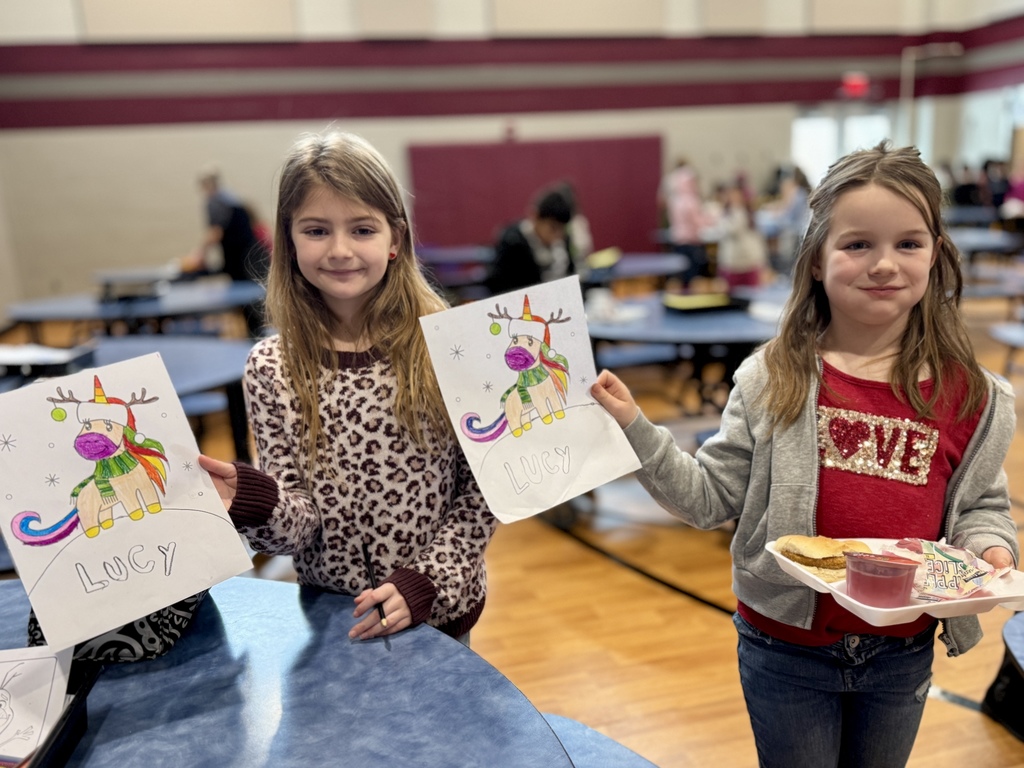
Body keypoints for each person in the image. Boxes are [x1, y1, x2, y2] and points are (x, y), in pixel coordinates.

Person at [590, 140, 1018, 767]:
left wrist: (991, 549)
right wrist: (634, 425)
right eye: (856, 244)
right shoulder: (772, 378)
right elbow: (708, 497)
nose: (883, 264)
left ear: (936, 255)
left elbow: (981, 506)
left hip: (903, 653)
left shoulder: (973, 397)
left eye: (908, 243)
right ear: (816, 259)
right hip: (785, 650)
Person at [197, 131, 498, 642]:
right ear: (289, 241)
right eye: (316, 230)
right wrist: (252, 501)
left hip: (437, 613)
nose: (340, 251)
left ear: (395, 239)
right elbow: (299, 526)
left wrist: (427, 581)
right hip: (336, 619)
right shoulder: (271, 367)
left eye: (362, 229)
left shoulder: (447, 345)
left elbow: (483, 494)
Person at [485, 185, 574, 295]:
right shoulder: (512, 242)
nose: (557, 235)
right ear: (535, 216)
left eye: (562, 229)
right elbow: (500, 286)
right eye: (553, 228)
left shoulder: (563, 241)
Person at [187, 166, 269, 283]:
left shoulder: (215, 202)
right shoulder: (231, 198)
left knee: (248, 293)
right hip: (251, 254)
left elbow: (215, 232)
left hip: (242, 257)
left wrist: (199, 254)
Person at [658, 157, 710, 287]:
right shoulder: (690, 200)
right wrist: (709, 220)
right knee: (693, 278)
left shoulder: (675, 200)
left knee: (680, 276)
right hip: (691, 242)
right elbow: (696, 222)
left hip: (677, 241)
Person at [714, 180, 769, 291]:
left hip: (749, 263)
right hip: (731, 264)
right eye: (730, 194)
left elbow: (756, 240)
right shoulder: (725, 214)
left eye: (736, 194)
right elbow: (727, 231)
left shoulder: (748, 214)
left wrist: (763, 263)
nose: (733, 197)